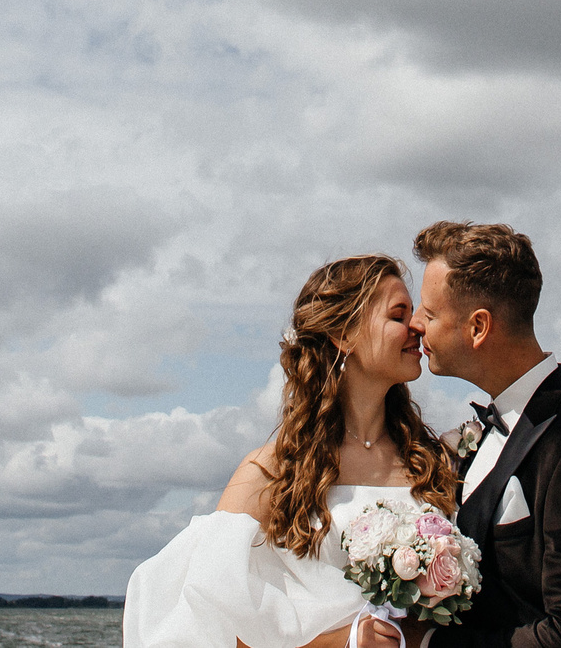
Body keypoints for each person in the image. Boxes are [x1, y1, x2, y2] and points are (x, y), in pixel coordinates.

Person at [124, 255, 464, 648]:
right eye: (398, 315)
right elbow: (209, 626)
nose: (417, 327)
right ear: (344, 335)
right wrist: (344, 642)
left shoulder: (435, 463)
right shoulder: (270, 471)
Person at [408, 222, 561, 648]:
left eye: (430, 312)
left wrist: (430, 645)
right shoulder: (475, 438)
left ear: (478, 327)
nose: (416, 323)